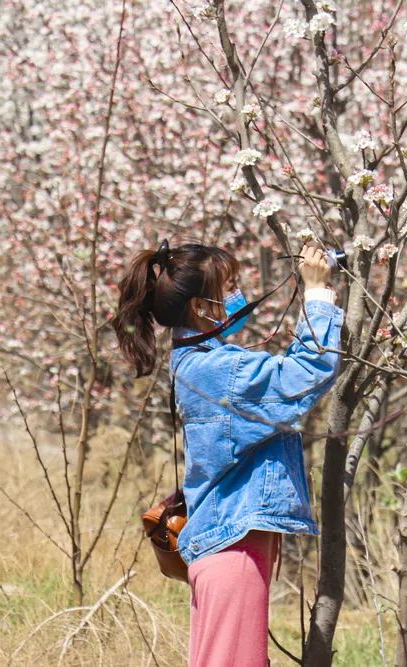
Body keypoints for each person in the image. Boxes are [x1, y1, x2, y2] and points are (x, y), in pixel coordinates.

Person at [110, 240, 344, 666]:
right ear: (201, 306)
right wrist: (317, 297)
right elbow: (306, 374)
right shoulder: (220, 371)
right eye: (230, 286)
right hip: (233, 553)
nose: (237, 292)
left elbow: (224, 335)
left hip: (223, 544)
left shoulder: (193, 356)